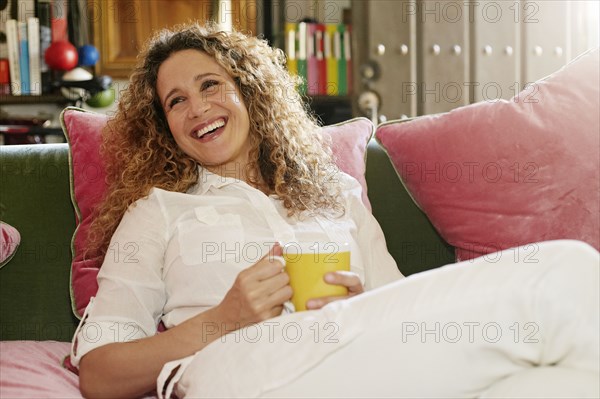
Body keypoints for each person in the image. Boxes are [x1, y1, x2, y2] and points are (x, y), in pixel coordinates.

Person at [72, 22, 599, 399]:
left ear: (249, 92)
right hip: (233, 373)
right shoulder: (159, 212)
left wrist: (361, 304)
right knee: (564, 272)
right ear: (166, 128)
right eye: (176, 101)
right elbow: (98, 374)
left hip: (355, 357)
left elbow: (399, 307)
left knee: (563, 378)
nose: (197, 107)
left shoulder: (335, 190)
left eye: (211, 85)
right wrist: (223, 320)